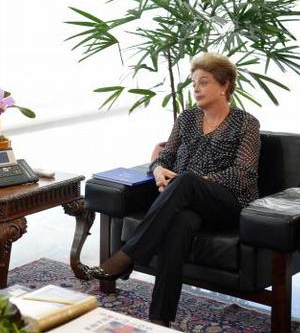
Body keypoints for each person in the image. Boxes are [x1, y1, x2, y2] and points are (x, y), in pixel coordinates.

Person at [84, 53, 261, 326]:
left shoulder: (246, 123)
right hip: (185, 204)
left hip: (227, 203)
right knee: (180, 223)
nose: (196, 88)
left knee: (187, 180)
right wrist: (157, 169)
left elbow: (244, 174)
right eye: (193, 83)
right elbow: (165, 157)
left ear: (224, 85)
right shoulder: (187, 118)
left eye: (203, 82)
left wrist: (192, 182)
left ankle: (126, 256)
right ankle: (159, 320)